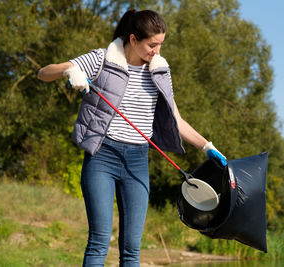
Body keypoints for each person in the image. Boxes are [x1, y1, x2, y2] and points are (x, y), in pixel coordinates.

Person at [37, 9, 226, 267]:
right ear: (134, 39)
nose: (157, 51)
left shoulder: (159, 72)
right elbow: (43, 72)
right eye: (152, 44)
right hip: (102, 157)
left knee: (131, 250)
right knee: (99, 241)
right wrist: (68, 71)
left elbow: (176, 120)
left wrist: (206, 146)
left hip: (138, 161)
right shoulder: (102, 59)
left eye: (161, 44)